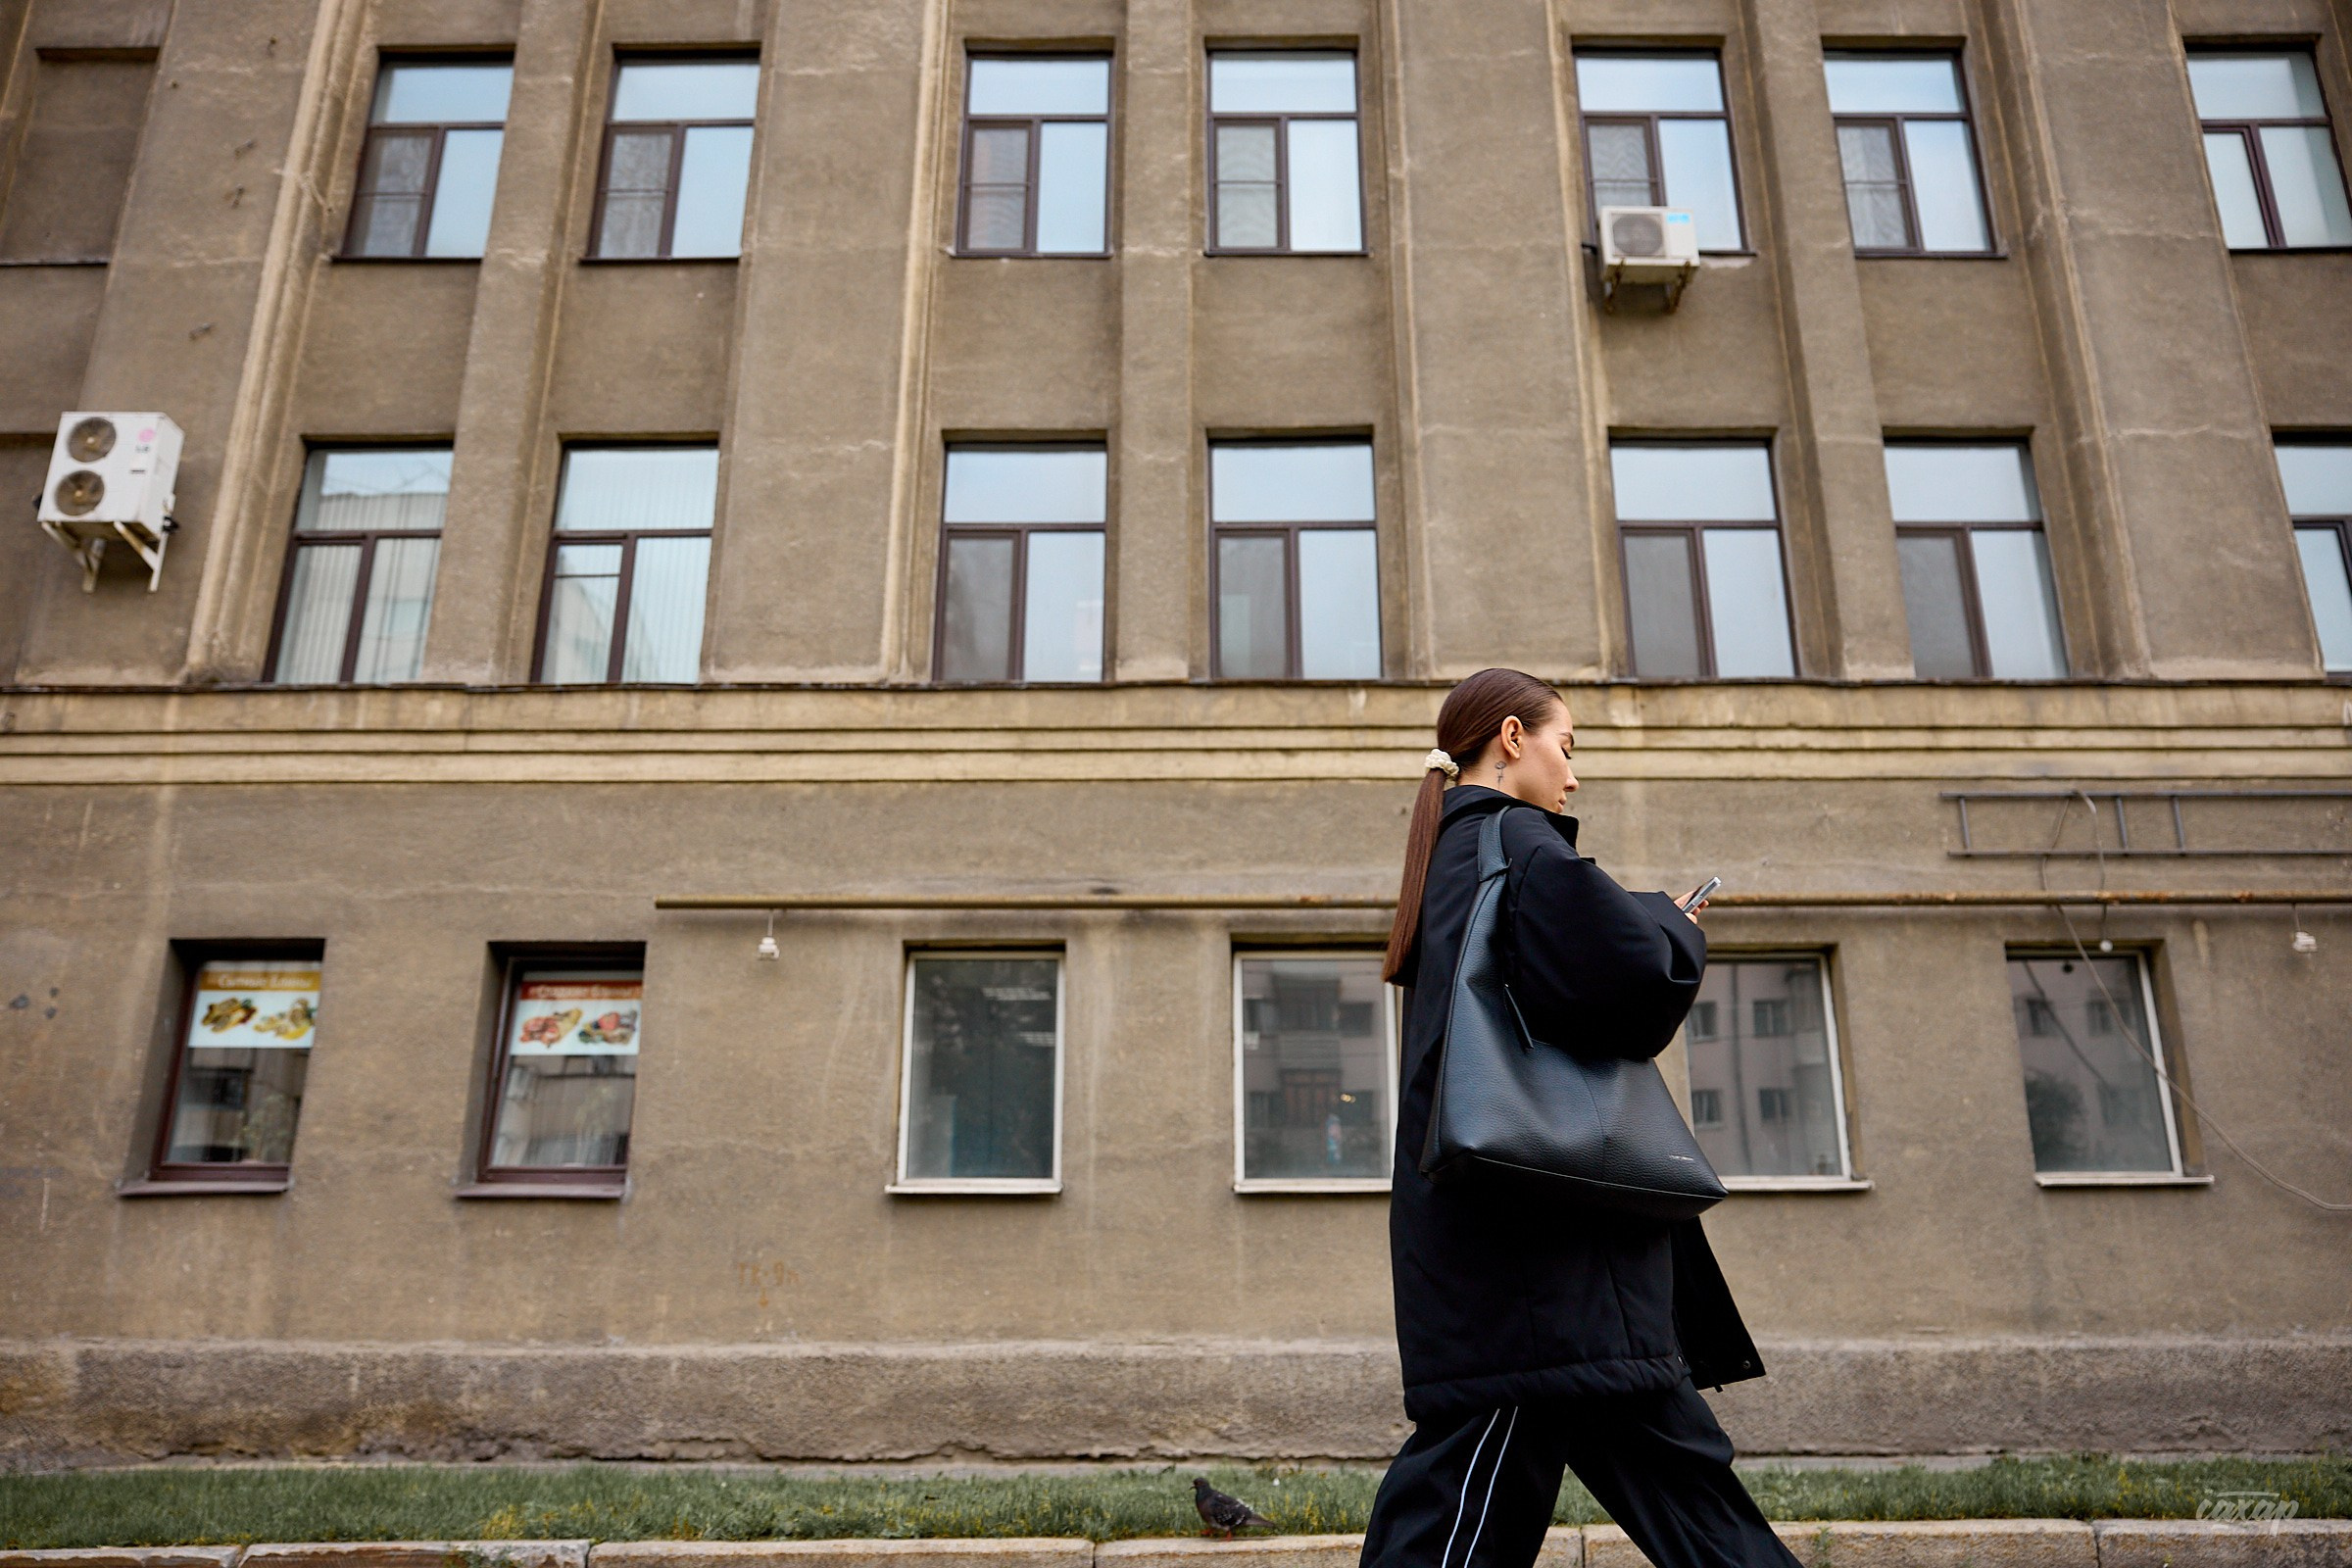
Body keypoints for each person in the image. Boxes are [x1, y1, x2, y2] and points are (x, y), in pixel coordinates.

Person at [1358, 667, 1799, 1568]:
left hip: (1515, 1260)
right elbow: (1634, 983)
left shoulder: (1449, 855)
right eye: (1567, 745)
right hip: (1545, 1269)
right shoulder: (1518, 839)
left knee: (1476, 1505)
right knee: (1671, 1503)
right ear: (1512, 739)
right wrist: (1670, 925)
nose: (1575, 772)